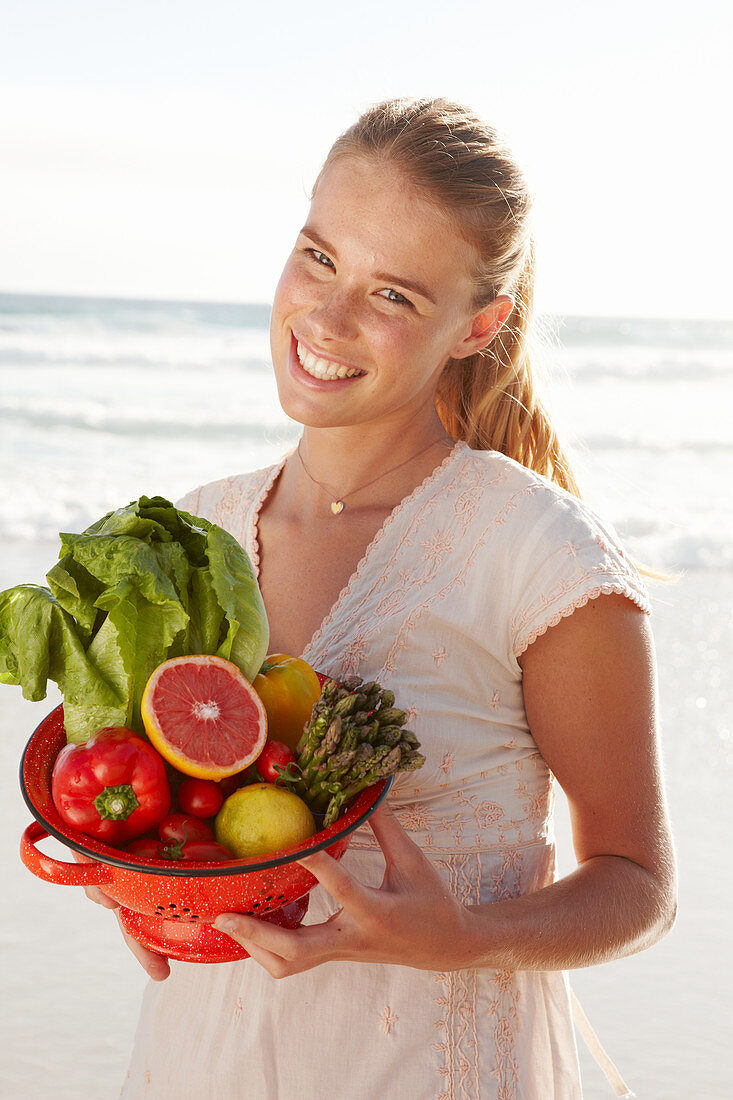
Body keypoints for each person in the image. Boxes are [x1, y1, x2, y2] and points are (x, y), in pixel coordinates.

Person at [91, 97, 677, 1098]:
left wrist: (462, 939)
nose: (324, 317)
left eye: (393, 295)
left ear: (478, 325)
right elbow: (161, 804)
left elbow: (638, 884)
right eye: (318, 256)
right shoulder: (191, 535)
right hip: (198, 1061)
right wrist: (140, 884)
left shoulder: (538, 552)